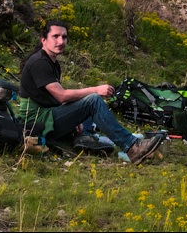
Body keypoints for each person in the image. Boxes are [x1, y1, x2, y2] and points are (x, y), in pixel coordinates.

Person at [16, 21, 164, 165]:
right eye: (55, 36)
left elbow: (56, 100)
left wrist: (75, 117)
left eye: (64, 37)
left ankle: (83, 138)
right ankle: (132, 147)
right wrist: (96, 90)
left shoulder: (52, 62)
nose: (61, 41)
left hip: (48, 115)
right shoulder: (39, 62)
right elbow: (61, 96)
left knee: (86, 100)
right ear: (44, 40)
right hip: (35, 123)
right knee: (93, 100)